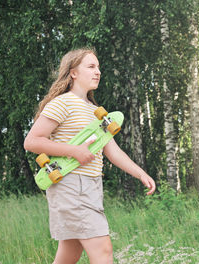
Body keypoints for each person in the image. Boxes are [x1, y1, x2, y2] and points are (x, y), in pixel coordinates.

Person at [24, 47, 156, 264]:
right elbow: (32, 141)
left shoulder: (93, 109)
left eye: (99, 67)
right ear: (73, 72)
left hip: (91, 185)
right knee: (103, 250)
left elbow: (112, 150)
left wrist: (140, 173)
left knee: (70, 252)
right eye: (91, 66)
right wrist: (75, 151)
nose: (98, 72)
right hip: (70, 185)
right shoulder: (62, 103)